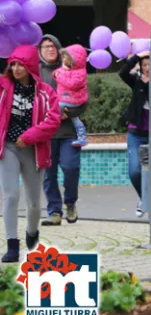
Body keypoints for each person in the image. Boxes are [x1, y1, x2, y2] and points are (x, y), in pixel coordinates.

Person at [0, 45, 61, 262]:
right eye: (13, 64)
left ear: (31, 66)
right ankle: (12, 245)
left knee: (34, 202)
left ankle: (32, 233)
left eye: (21, 64)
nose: (16, 69)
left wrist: (29, 136)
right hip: (7, 148)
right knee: (10, 196)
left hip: (34, 151)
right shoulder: (3, 87)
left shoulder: (46, 92)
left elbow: (53, 121)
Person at [39, 34, 87, 227]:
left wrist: (69, 111)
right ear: (40, 50)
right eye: (45, 46)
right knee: (48, 174)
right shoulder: (36, 72)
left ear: (59, 49)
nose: (50, 49)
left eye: (53, 46)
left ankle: (70, 203)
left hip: (68, 132)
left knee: (70, 168)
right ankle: (54, 211)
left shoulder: (72, 68)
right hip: (45, 133)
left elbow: (84, 100)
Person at [119, 50, 151, 217]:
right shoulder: (136, 81)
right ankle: (143, 198)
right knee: (135, 171)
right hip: (136, 133)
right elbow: (123, 72)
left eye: (150, 64)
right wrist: (137, 57)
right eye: (144, 65)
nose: (147, 68)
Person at [51, 45, 89, 148]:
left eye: (66, 58)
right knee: (75, 119)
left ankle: (55, 120)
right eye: (63, 58)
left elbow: (71, 84)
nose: (63, 60)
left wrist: (60, 75)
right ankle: (82, 138)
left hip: (73, 99)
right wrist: (59, 72)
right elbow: (55, 73)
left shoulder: (80, 72)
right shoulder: (68, 70)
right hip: (67, 98)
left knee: (56, 107)